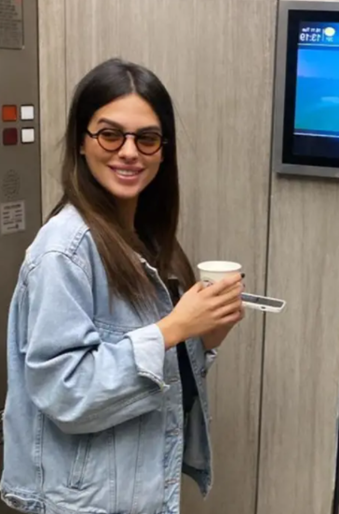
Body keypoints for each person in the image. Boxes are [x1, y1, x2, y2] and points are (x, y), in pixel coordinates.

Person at [0, 58, 245, 514]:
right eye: (110, 135)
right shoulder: (64, 250)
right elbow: (66, 393)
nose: (129, 152)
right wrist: (173, 329)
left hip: (136, 489)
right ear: (81, 142)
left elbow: (151, 376)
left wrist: (205, 334)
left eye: (146, 138)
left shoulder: (147, 239)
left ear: (163, 151)